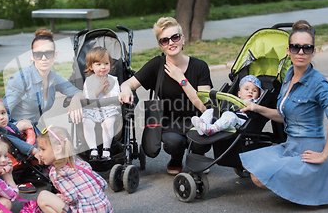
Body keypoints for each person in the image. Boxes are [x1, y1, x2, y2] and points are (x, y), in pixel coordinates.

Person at [239, 20, 328, 207]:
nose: (301, 52)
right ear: (288, 51)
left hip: (309, 151)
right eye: (296, 48)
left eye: (307, 48)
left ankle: (307, 186)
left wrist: (323, 155)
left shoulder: (318, 83)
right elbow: (284, 116)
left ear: (314, 51)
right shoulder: (288, 76)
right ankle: (296, 185)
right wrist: (257, 108)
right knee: (247, 164)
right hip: (290, 146)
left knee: (257, 178)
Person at [119, 17, 213, 175]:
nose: (171, 43)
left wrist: (182, 79)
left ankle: (197, 155)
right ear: (160, 45)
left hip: (198, 121)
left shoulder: (200, 66)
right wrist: (126, 89)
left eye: (175, 37)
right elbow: (128, 83)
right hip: (171, 124)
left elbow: (204, 106)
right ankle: (176, 158)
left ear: (182, 39)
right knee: (172, 142)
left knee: (200, 142)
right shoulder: (157, 65)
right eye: (164, 40)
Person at [35, 126, 113, 213]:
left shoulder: (56, 172)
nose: (39, 153)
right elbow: (103, 184)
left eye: (42, 149)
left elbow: (71, 197)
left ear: (58, 149)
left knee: (43, 197)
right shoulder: (80, 163)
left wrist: (60, 198)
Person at [3, 28, 84, 130]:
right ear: (32, 56)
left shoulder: (53, 77)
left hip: (36, 128)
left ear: (55, 55)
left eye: (49, 53)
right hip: (16, 131)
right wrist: (17, 126)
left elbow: (78, 92)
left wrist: (76, 98)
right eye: (38, 54)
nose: (44, 58)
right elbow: (2, 112)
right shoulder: (20, 79)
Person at [0, 98, 38, 193]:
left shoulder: (6, 126)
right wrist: (33, 151)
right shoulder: (1, 133)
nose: (1, 117)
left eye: (3, 113)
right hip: (17, 152)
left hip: (19, 146)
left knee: (31, 125)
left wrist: (21, 128)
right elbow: (17, 143)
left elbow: (14, 131)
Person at [191, 75, 263, 136]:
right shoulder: (233, 100)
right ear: (239, 94)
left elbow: (258, 106)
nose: (250, 91)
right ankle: (202, 123)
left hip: (239, 122)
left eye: (254, 90)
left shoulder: (255, 102)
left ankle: (212, 129)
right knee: (210, 111)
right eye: (247, 89)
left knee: (229, 116)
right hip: (225, 116)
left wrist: (260, 99)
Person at [82, 47, 120, 160]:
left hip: (109, 108)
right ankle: (93, 149)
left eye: (106, 63)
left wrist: (107, 90)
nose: (103, 67)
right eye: (98, 64)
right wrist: (100, 88)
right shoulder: (89, 81)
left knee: (107, 124)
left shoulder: (113, 79)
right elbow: (88, 97)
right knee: (87, 123)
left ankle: (106, 149)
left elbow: (116, 96)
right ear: (91, 67)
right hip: (92, 108)